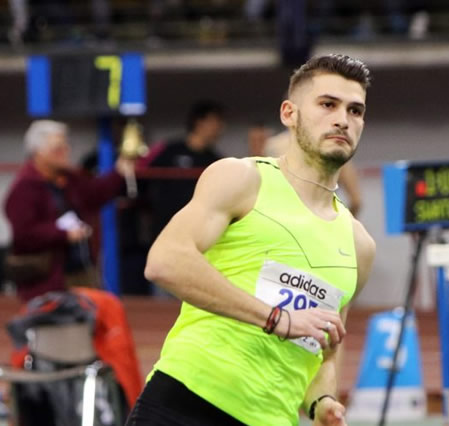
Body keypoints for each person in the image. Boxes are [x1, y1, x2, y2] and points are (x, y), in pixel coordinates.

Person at [127, 54, 376, 426]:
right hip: (187, 401)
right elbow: (166, 260)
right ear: (289, 114)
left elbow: (324, 348)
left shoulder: (359, 245)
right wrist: (277, 318)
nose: (343, 119)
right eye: (328, 104)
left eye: (355, 110)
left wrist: (321, 401)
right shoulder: (242, 179)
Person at [4, 120, 133, 302]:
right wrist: (64, 234)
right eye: (58, 149)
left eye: (66, 146)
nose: (66, 152)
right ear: (39, 152)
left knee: (92, 312)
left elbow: (94, 194)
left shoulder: (69, 178)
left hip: (79, 269)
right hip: (46, 278)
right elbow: (24, 233)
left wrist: (118, 173)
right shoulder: (25, 188)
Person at [145, 100, 226, 239]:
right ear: (199, 122)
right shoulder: (168, 150)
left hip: (197, 230)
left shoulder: (215, 160)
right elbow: (143, 179)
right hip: (164, 226)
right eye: (215, 121)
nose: (220, 127)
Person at [249, 125, 363, 217]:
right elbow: (356, 201)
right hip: (320, 224)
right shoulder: (335, 148)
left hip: (280, 223)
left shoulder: (272, 146)